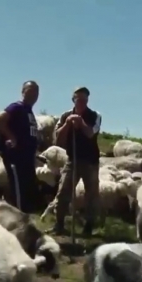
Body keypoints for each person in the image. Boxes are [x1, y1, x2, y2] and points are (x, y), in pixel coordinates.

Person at [48, 86, 102, 236]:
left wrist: (81, 123)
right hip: (72, 159)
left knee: (91, 194)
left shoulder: (95, 115)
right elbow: (57, 139)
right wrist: (67, 124)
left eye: (84, 100)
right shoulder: (65, 115)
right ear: (73, 100)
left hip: (91, 161)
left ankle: (88, 226)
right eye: (78, 99)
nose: (81, 102)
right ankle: (59, 225)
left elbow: (91, 133)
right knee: (63, 191)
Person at [0, 81, 40, 213]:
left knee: (25, 193)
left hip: (27, 160)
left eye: (36, 91)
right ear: (23, 92)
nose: (34, 94)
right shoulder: (16, 107)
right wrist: (11, 137)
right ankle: (17, 222)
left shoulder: (29, 111)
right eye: (30, 90)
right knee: (18, 194)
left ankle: (21, 222)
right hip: (16, 158)